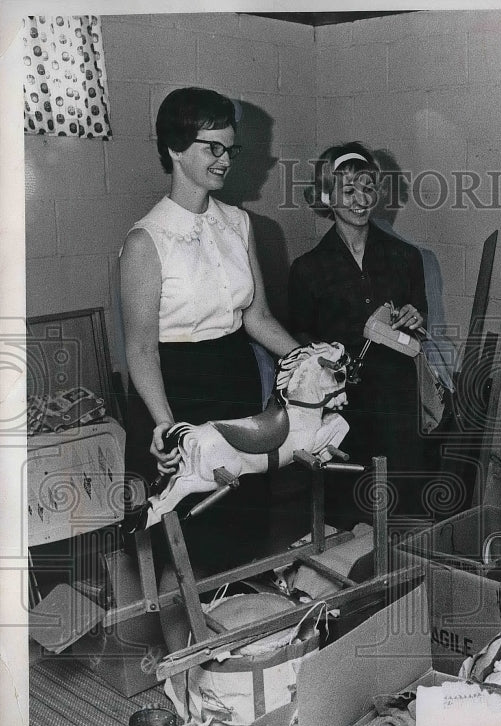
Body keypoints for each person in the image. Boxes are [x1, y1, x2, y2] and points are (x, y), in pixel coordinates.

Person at [119, 87, 300, 582]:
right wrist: (166, 426)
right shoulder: (145, 241)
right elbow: (139, 349)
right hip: (176, 393)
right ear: (176, 149)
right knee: (187, 545)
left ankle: (238, 648)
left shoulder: (239, 223)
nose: (225, 160)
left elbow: (256, 317)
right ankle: (185, 655)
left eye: (230, 148)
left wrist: (309, 361)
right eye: (212, 148)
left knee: (242, 527)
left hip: (237, 384)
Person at [288, 142, 429, 535]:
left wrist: (414, 318)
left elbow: (419, 318)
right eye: (349, 191)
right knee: (347, 507)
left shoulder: (406, 257)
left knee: (402, 500)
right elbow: (299, 336)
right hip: (344, 405)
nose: (361, 200)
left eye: (368, 188)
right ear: (326, 197)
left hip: (395, 397)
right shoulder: (307, 270)